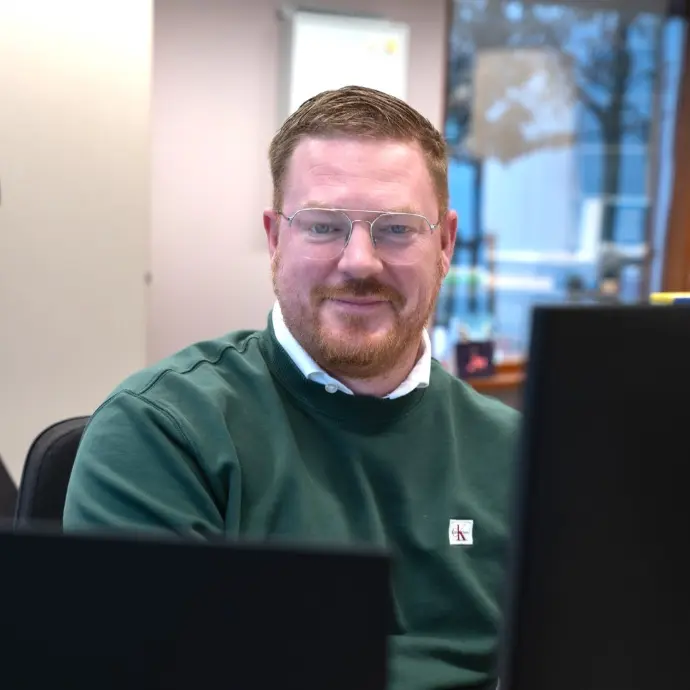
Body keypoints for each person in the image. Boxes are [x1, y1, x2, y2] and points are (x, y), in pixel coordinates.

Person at [64, 86, 520, 690]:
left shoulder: (521, 456)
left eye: (396, 229)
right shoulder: (163, 434)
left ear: (445, 244)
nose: (360, 262)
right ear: (275, 239)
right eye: (324, 226)